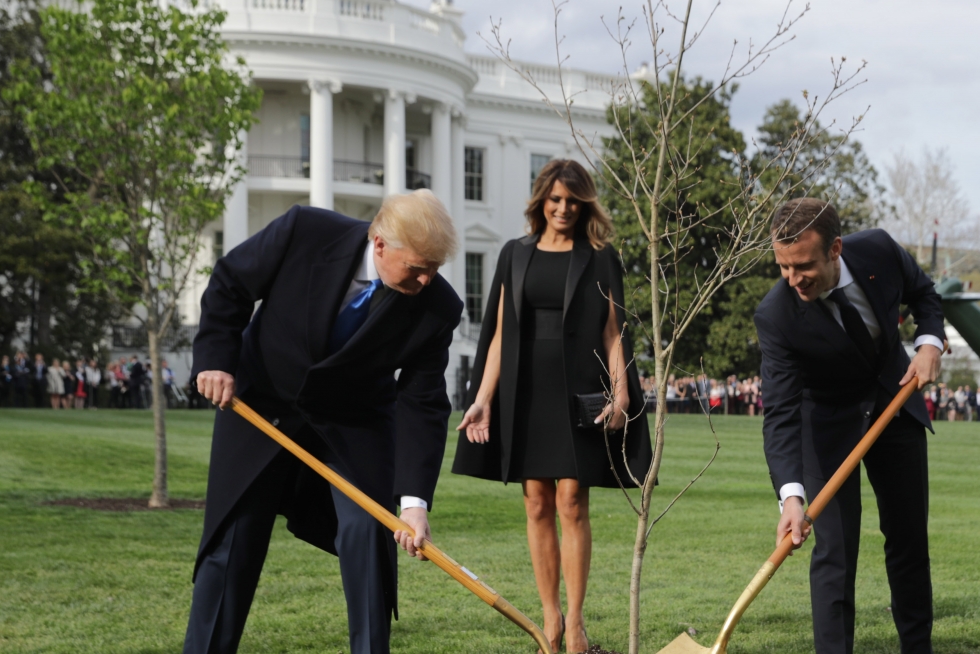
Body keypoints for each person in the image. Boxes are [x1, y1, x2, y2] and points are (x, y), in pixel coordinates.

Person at [183, 191, 462, 654]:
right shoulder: (304, 231)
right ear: (379, 244)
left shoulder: (437, 307)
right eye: (417, 267)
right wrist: (215, 360)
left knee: (369, 535)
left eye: (434, 267)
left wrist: (413, 502)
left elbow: (423, 401)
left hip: (353, 425)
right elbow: (231, 281)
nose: (427, 278)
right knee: (234, 540)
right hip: (261, 404)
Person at [452, 160, 650, 654]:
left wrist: (622, 393)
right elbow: (498, 334)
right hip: (525, 389)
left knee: (571, 502)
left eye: (573, 201)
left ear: (585, 204)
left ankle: (578, 625)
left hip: (578, 386)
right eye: (555, 199)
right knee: (536, 501)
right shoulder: (514, 254)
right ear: (541, 199)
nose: (563, 209)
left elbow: (613, 332)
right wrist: (482, 399)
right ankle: (551, 624)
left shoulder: (601, 257)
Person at [756, 198, 945, 654]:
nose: (793, 279)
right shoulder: (776, 314)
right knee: (834, 556)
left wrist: (928, 343)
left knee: (908, 543)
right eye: (783, 267)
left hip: (892, 405)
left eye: (803, 266)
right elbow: (780, 411)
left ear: (835, 248)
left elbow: (924, 294)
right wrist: (791, 497)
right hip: (826, 426)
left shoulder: (878, 250)